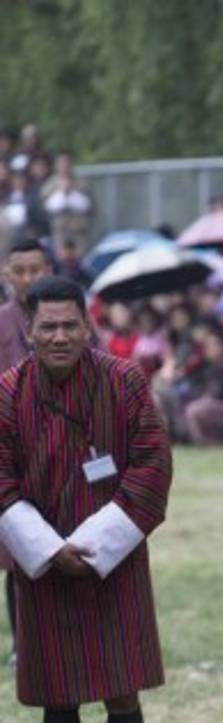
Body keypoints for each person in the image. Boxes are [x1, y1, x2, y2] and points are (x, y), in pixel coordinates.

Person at [0, 276, 172, 723]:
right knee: (58, 695)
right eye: (46, 326)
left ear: (87, 324)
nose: (58, 336)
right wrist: (49, 550)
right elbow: (0, 480)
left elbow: (152, 463)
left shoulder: (123, 382)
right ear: (27, 328)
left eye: (70, 324)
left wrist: (100, 542)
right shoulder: (7, 393)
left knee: (122, 691)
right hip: (43, 566)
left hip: (113, 559)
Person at [0, 238, 53, 665]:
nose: (28, 278)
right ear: (6, 275)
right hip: (12, 451)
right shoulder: (2, 324)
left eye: (36, 270)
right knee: (18, 553)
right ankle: (24, 644)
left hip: (62, 451)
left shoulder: (69, 320)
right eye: (20, 271)